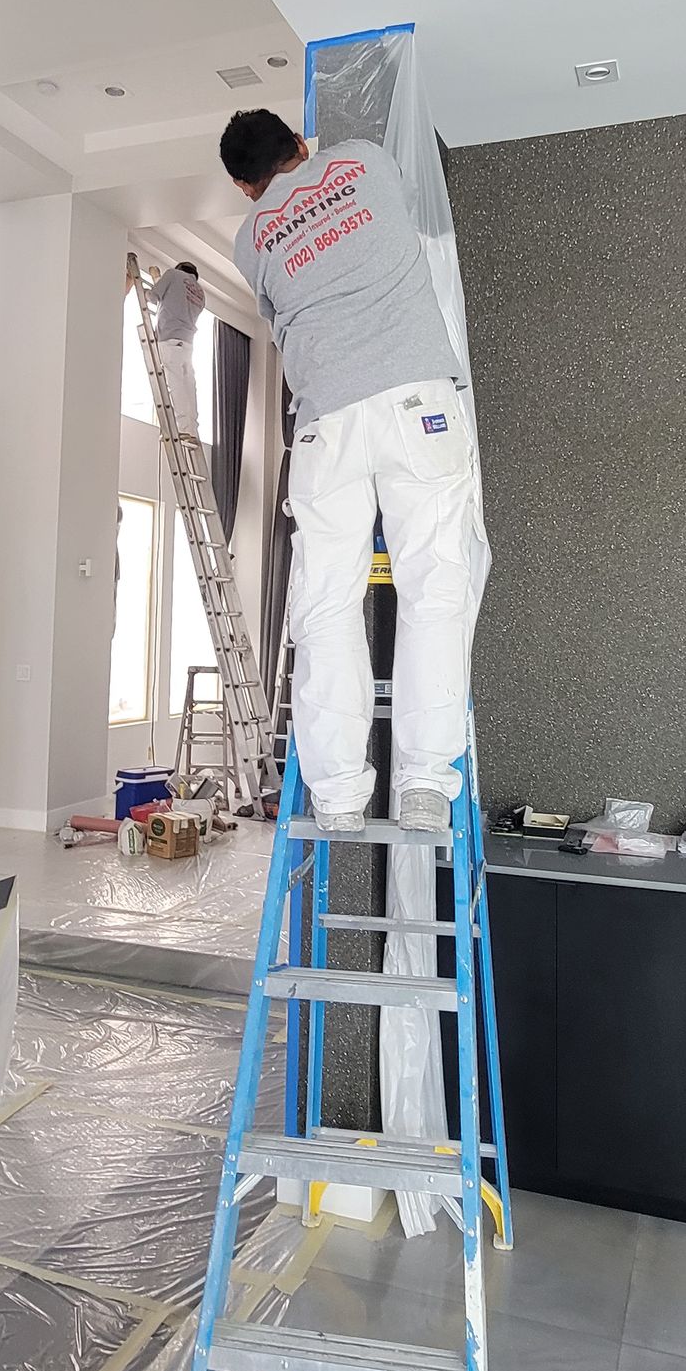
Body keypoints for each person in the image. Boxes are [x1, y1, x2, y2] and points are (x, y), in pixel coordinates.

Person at [222, 107, 477, 835]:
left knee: (325, 604)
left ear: (246, 187)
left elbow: (277, 315)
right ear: (301, 146)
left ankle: (336, 795)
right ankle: (426, 781)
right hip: (413, 402)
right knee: (434, 585)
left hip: (327, 424)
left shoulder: (250, 238)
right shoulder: (364, 160)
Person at [148, 260, 206, 438]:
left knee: (175, 384)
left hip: (170, 338)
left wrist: (151, 285)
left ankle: (183, 428)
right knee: (189, 385)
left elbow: (152, 297)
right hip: (188, 343)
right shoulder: (200, 292)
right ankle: (192, 429)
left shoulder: (173, 275)